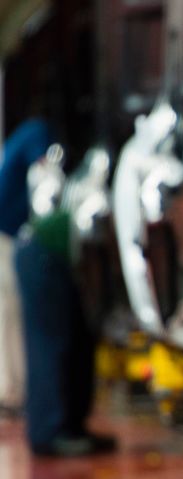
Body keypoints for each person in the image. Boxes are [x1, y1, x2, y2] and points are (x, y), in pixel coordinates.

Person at [11, 130, 116, 457]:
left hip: (53, 256)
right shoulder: (98, 200)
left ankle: (71, 425)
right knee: (50, 343)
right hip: (42, 255)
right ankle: (48, 431)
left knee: (75, 341)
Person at [0, 120, 50, 415]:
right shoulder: (38, 132)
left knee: (8, 314)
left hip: (6, 231)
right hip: (3, 233)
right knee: (10, 314)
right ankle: (11, 393)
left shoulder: (23, 133)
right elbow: (44, 170)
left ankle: (13, 391)